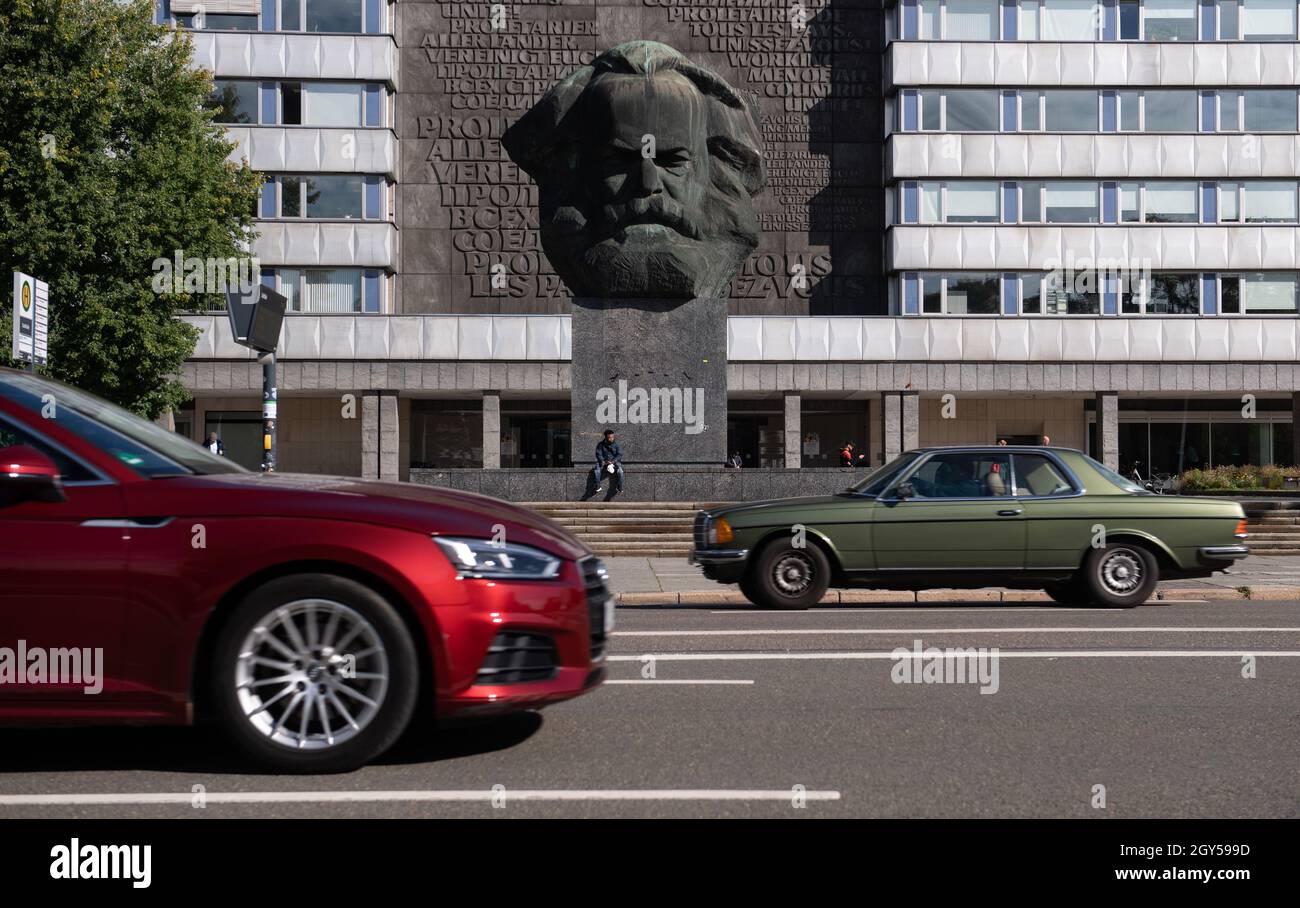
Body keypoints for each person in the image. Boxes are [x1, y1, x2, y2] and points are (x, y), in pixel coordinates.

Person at [593, 429, 624, 494]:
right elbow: (598, 454)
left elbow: (619, 454)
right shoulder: (600, 445)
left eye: (613, 437)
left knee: (620, 471)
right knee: (597, 469)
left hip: (614, 462)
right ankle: (598, 486)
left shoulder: (616, 444)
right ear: (606, 437)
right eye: (610, 437)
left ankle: (619, 487)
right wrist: (604, 461)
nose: (611, 439)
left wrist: (613, 461)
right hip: (604, 462)